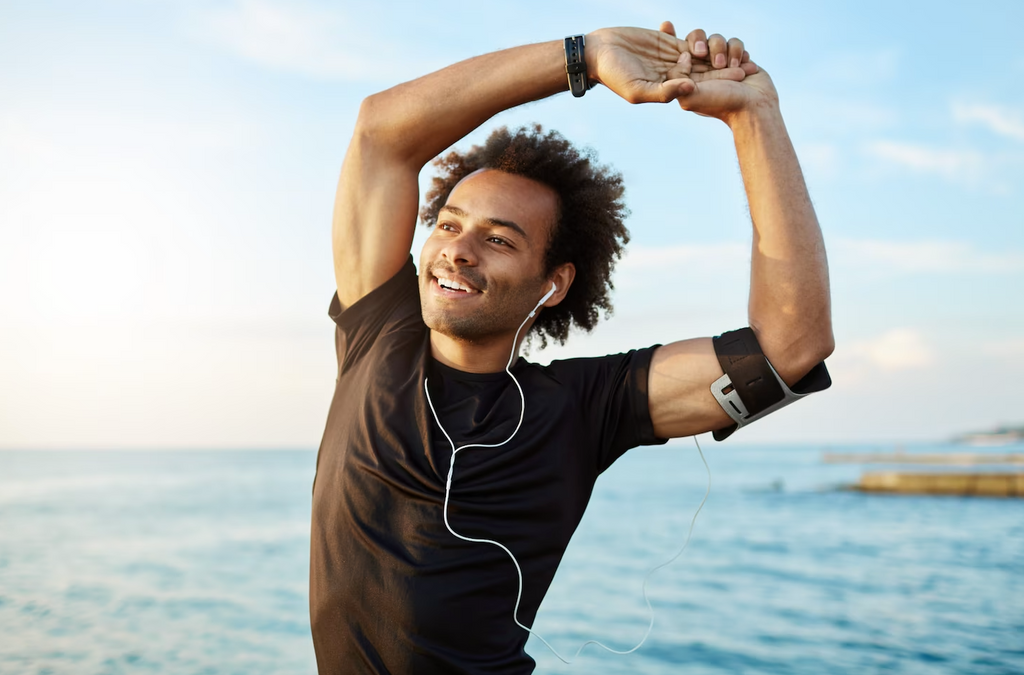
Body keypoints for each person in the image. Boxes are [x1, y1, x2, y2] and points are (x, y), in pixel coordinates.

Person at [310, 21, 833, 675]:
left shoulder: (582, 407)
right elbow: (380, 130)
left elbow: (792, 343)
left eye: (499, 239)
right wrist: (582, 57)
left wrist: (755, 117)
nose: (458, 250)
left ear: (554, 283)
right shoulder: (376, 334)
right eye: (448, 224)